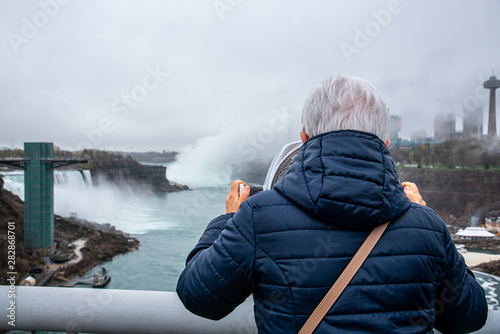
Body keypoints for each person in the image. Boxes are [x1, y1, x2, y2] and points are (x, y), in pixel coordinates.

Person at [177, 75, 487, 333]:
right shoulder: (427, 227)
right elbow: (469, 317)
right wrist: (426, 215)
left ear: (303, 139)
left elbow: (199, 297)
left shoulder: (258, 217)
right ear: (386, 145)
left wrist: (229, 219)